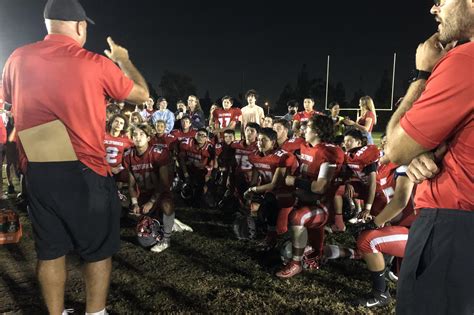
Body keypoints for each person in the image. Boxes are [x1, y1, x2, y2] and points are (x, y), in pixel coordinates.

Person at [1, 1, 149, 314]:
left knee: (50, 251)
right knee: (96, 251)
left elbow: (12, 106)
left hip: (39, 169)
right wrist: (124, 60)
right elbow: (141, 94)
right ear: (80, 26)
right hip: (85, 170)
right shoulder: (93, 62)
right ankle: (95, 312)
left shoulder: (16, 58)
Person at [384, 1, 474, 313]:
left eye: (443, 0)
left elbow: (394, 148)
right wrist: (433, 150)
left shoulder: (465, 60)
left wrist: (422, 74)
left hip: (454, 228)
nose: (434, 9)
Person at [276, 115, 344, 278]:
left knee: (297, 218)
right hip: (306, 200)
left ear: (318, 131)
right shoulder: (305, 146)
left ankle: (296, 263)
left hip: (323, 204)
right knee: (317, 250)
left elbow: (320, 187)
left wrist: (296, 181)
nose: (304, 129)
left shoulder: (329, 152)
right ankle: (356, 253)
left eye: (308, 127)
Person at [123, 124, 174, 253]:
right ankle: (164, 220)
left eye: (141, 135)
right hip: (144, 194)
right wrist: (134, 203)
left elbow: (163, 182)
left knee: (166, 205)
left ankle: (166, 239)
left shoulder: (158, 152)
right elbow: (131, 184)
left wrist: (151, 202)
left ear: (148, 137)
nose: (138, 138)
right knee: (138, 225)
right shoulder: (128, 155)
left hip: (159, 193)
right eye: (135, 135)